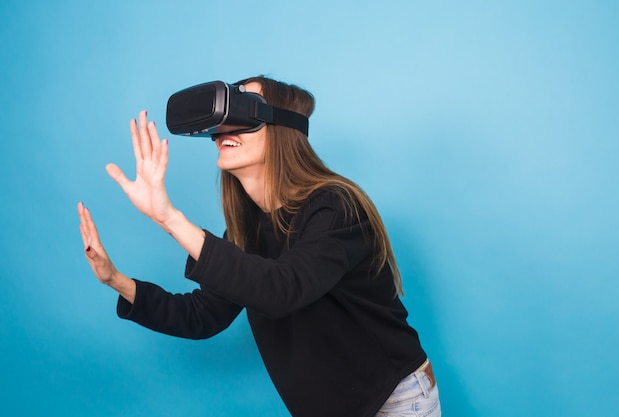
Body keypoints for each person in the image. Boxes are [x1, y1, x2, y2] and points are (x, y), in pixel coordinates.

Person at [77, 76, 441, 417]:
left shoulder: (335, 207)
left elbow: (281, 289)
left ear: (283, 130)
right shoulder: (247, 230)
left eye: (244, 112)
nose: (223, 131)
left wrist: (168, 217)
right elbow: (203, 315)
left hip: (393, 400)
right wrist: (116, 280)